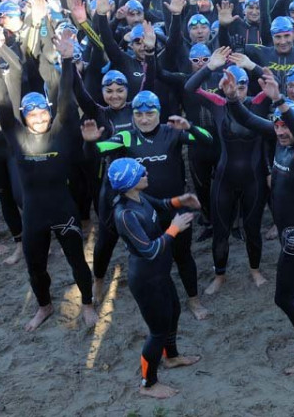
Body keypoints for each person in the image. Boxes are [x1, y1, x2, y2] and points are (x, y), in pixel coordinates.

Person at [0, 19, 97, 331]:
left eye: (43, 113)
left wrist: (66, 59)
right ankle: (44, 306)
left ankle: (87, 303)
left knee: (78, 261)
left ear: (49, 113)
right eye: (32, 114)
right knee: (35, 267)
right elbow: (2, 99)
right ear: (24, 117)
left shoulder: (60, 133)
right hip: (34, 215)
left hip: (63, 210)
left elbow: (65, 95)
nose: (38, 118)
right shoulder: (17, 136)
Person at [221, 70, 294, 374]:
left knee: (284, 296)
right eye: (277, 126)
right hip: (292, 232)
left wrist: (281, 100)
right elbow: (247, 119)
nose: (281, 132)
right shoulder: (281, 137)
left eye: (286, 126)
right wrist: (232, 99)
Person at [82, 90, 212, 320]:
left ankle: (194, 300)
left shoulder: (171, 132)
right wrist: (90, 143)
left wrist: (189, 126)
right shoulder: (125, 137)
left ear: (158, 113)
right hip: (145, 209)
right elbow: (95, 154)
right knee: (149, 258)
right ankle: (102, 285)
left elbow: (208, 139)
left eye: (149, 113)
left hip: (173, 205)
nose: (143, 119)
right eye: (138, 114)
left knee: (183, 256)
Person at [107, 157, 201, 398]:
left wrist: (182, 200)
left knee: (174, 311)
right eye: (140, 172)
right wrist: (174, 228)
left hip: (160, 273)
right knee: (157, 331)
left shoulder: (137, 197)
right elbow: (148, 250)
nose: (146, 172)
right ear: (130, 182)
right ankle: (147, 384)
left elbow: (161, 204)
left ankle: (171, 357)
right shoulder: (125, 213)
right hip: (146, 280)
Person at [184, 49, 270, 294]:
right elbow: (190, 89)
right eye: (232, 85)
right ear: (222, 87)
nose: (238, 90)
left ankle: (255, 270)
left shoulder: (259, 102)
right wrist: (209, 67)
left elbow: (276, 84)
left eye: (242, 85)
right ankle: (219, 275)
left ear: (248, 86)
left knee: (253, 229)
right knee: (221, 231)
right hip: (224, 179)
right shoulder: (219, 103)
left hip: (253, 180)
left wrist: (253, 66)